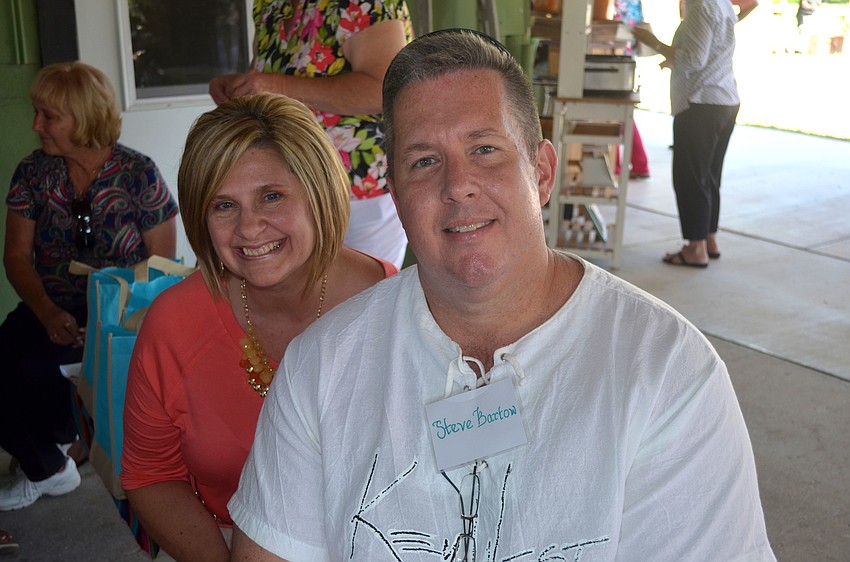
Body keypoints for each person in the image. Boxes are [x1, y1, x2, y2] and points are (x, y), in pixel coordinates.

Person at [228, 29, 776, 561]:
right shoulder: (321, 366)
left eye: (485, 149)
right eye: (424, 161)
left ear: (540, 173)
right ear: (394, 195)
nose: (457, 184)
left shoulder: (664, 368)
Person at [120, 93, 397, 562]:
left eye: (271, 196)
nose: (250, 228)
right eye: (223, 206)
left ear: (319, 192)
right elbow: (151, 474)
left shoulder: (399, 307)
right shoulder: (174, 324)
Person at [0, 61, 178, 512]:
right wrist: (46, 313)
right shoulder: (34, 173)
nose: (36, 125)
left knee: (49, 375)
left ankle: (55, 449)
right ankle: (51, 467)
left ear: (84, 117)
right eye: (36, 112)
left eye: (49, 116)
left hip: (116, 315)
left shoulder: (139, 174)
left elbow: (159, 271)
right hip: (50, 305)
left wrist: (105, 327)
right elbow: (16, 257)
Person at [208, 0, 413, 269]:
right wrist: (243, 87)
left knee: (363, 298)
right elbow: (274, 77)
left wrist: (274, 85)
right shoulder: (270, 4)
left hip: (360, 192)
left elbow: (384, 87)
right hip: (291, 182)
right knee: (302, 301)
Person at [632, 0, 739, 267]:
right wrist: (672, 60)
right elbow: (709, 53)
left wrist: (653, 42)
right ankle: (708, 239)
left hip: (700, 103)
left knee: (690, 178)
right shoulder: (721, 3)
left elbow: (694, 58)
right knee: (709, 176)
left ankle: (695, 248)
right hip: (723, 99)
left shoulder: (699, 4)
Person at [611, 0, 651, 180]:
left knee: (617, 113)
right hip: (626, 58)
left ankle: (618, 165)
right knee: (621, 113)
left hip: (615, 58)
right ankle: (636, 163)